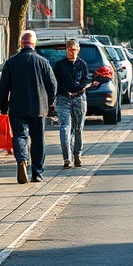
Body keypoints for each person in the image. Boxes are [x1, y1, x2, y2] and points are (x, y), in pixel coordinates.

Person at [0, 29, 56, 183]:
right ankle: (37, 172)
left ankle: (22, 160)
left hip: (17, 107)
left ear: (21, 44)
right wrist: (50, 103)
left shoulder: (11, 62)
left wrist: (3, 107)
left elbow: (3, 88)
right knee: (38, 139)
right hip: (38, 107)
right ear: (34, 43)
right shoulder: (43, 62)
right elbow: (52, 85)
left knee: (19, 135)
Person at [53, 39, 90, 169]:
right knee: (65, 127)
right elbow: (56, 83)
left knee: (78, 127)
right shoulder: (60, 65)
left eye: (74, 49)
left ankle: (77, 154)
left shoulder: (82, 64)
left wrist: (79, 88)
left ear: (78, 50)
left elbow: (85, 81)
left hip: (79, 98)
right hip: (64, 98)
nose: (71, 52)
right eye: (69, 49)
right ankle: (67, 158)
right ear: (66, 50)